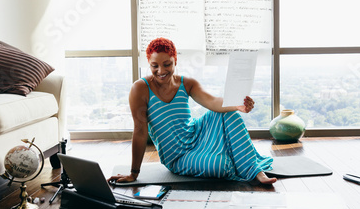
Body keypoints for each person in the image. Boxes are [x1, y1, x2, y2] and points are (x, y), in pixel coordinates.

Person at [108, 38, 276, 185]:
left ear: (175, 60)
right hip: (177, 156)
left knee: (230, 113)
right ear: (148, 63)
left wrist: (237, 105)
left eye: (167, 64)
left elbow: (212, 102)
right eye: (154, 66)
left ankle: (255, 171)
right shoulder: (140, 89)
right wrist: (133, 173)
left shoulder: (187, 83)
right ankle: (239, 158)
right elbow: (139, 130)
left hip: (196, 134)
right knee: (221, 166)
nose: (161, 71)